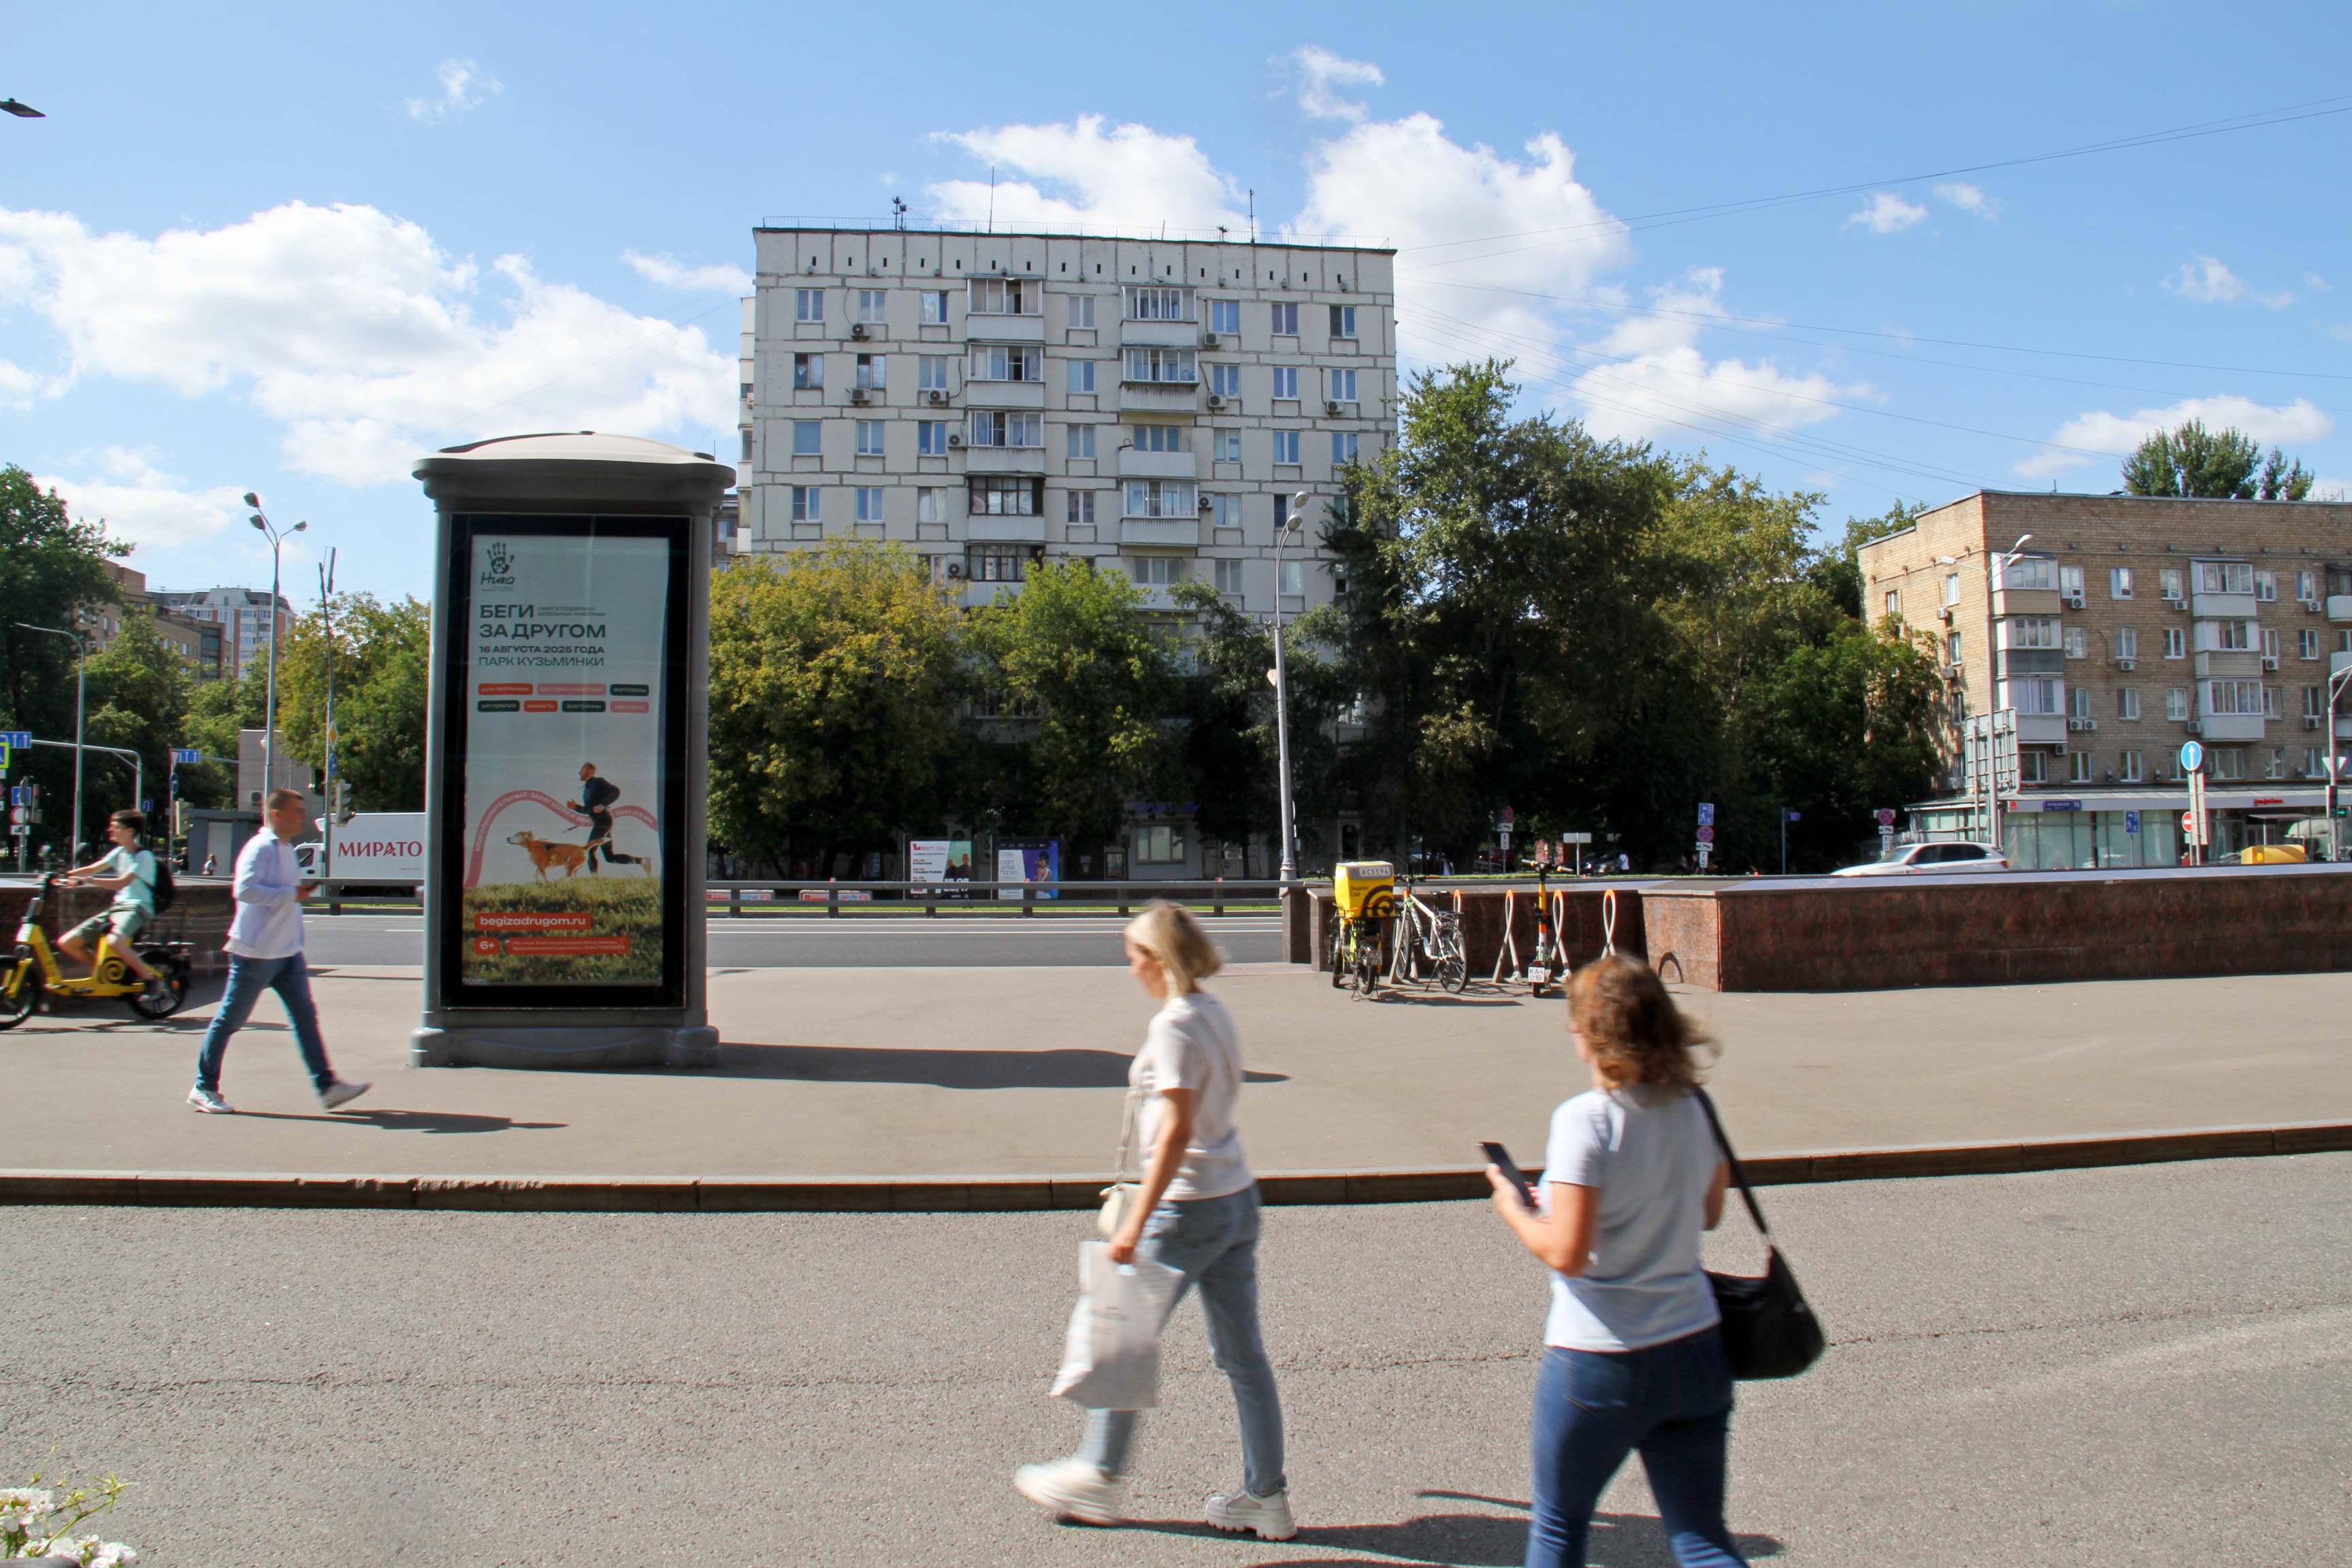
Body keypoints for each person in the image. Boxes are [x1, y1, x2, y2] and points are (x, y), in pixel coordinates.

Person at [1015, 901, 1293, 1540]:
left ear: (1160, 959)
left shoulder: (1173, 1026)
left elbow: (1172, 1135)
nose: (1130, 965)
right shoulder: (1214, 1012)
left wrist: (1136, 1224)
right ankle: (1266, 1495)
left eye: (1136, 954)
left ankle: (1100, 1477)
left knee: (1122, 1337)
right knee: (1244, 1359)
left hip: (1186, 1206)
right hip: (1236, 1197)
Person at [1486, 953, 1744, 1568]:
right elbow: (1709, 1213)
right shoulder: (1695, 1108)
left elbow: (1568, 1254)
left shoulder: (1586, 1122)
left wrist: (1514, 1207)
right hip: (1695, 1346)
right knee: (1702, 1537)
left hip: (1600, 1358)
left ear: (1594, 1033)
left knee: (1558, 1528)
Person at [187, 789, 369, 1115]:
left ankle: (327, 1087)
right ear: (276, 814)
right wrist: (291, 894)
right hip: (255, 953)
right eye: (297, 810)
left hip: (286, 953)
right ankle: (203, 1087)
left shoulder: (285, 848)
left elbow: (285, 896)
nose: (303, 815)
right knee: (230, 1020)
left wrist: (293, 896)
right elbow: (243, 890)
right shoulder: (259, 848)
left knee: (305, 1019)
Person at [60, 808, 169, 1003]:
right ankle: (105, 973)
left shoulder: (143, 857)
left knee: (114, 941)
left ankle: (151, 980)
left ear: (129, 831)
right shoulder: (119, 852)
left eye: (116, 827)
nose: (111, 829)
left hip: (138, 908)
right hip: (118, 908)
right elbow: (93, 868)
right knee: (67, 942)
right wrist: (62, 876)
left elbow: (121, 882)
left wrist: (87, 881)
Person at [576, 762, 645, 873]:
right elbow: (589, 810)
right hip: (603, 822)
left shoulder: (598, 781)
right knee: (610, 857)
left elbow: (616, 791)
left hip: (604, 821)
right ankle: (642, 861)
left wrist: (603, 804)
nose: (579, 772)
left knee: (590, 849)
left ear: (589, 771)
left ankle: (594, 879)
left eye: (582, 770)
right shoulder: (586, 790)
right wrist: (576, 807)